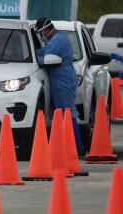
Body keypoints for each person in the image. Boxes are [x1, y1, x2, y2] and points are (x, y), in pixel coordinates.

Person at [35, 17, 84, 154]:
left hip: (62, 79)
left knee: (67, 113)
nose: (42, 36)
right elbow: (45, 52)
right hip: (62, 77)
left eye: (41, 32)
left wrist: (33, 59)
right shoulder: (58, 38)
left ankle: (76, 147)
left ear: (46, 29)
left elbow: (47, 57)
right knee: (64, 112)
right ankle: (70, 145)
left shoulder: (57, 40)